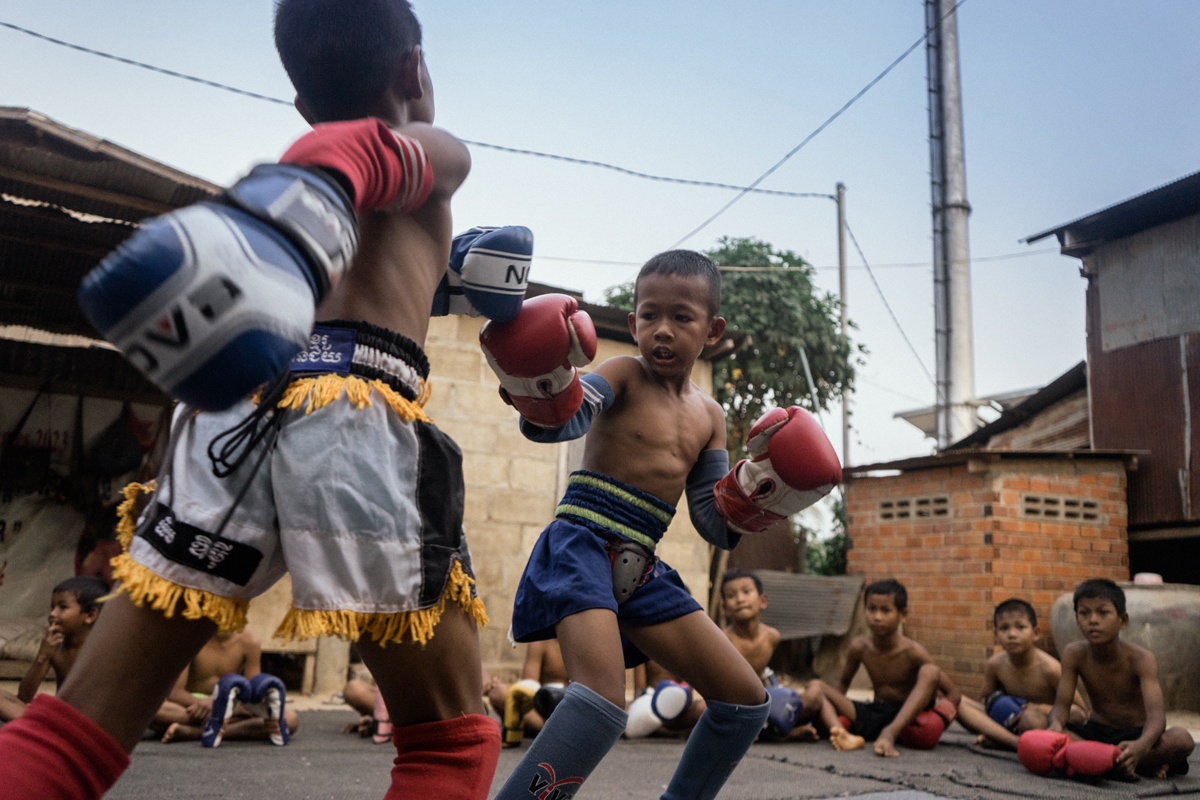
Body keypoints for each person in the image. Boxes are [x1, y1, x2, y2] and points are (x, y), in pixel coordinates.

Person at [0, 2, 521, 797]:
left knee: (78, 730)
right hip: (356, 418)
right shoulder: (420, 157)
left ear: (301, 102)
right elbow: (389, 157)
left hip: (230, 424)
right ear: (416, 70)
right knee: (450, 740)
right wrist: (331, 172)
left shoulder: (276, 207)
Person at [482, 249, 842, 799]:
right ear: (632, 323)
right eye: (650, 316)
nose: (663, 330)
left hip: (640, 563)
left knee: (745, 701)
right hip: (581, 541)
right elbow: (568, 419)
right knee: (602, 700)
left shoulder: (711, 416)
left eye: (681, 317)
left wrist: (761, 496)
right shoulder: (623, 374)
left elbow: (712, 521)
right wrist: (541, 390)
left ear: (712, 329)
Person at [1044, 578, 1195, 778]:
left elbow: (1157, 718)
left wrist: (1141, 746)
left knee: (1182, 740)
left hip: (1135, 734)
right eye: (1084, 613)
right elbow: (1061, 707)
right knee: (1038, 723)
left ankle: (1105, 761)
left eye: (1103, 612)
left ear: (1122, 620)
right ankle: (1125, 763)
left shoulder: (1141, 659)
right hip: (1097, 733)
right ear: (1077, 618)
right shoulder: (1074, 654)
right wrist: (1055, 726)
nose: (1093, 620)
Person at [807, 578, 962, 757]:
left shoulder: (913, 652)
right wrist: (833, 711)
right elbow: (842, 684)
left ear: (903, 615)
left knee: (930, 670)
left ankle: (889, 734)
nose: (877, 617)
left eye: (885, 610)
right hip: (874, 711)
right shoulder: (860, 647)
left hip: (905, 716)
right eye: (872, 609)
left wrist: (940, 717)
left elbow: (953, 693)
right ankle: (843, 735)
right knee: (816, 685)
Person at [955, 597, 1087, 751]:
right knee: (955, 702)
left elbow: (1081, 713)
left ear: (1035, 633)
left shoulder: (1050, 669)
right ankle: (1014, 742)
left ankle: (1001, 739)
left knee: (1031, 721)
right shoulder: (995, 664)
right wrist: (1004, 707)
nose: (1012, 634)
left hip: (1042, 724)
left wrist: (1040, 709)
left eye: (1020, 627)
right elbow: (986, 702)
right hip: (1010, 720)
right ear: (996, 635)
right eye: (1004, 628)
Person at [149, 629, 300, 746]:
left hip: (230, 706)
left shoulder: (249, 641)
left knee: (290, 719)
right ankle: (215, 726)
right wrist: (212, 706)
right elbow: (175, 693)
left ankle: (196, 732)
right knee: (150, 710)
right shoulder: (190, 637)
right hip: (191, 707)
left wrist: (216, 704)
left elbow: (253, 697)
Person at [720, 568, 819, 742]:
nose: (740, 599)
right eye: (731, 595)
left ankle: (763, 733)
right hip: (734, 706)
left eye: (746, 592)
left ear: (763, 600)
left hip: (763, 703)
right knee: (702, 711)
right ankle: (782, 734)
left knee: (813, 699)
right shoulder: (721, 641)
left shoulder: (772, 637)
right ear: (725, 608)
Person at [0, 577, 108, 722]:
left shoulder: (102, 649)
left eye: (62, 607)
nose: (52, 614)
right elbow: (24, 697)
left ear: (90, 615)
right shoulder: (55, 647)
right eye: (52, 607)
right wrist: (42, 656)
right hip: (62, 719)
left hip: (94, 723)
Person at [487, 639, 570, 747]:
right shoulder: (541, 641)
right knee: (498, 693)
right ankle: (548, 730)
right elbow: (529, 686)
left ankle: (542, 729)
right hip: (541, 707)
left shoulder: (585, 641)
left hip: (570, 709)